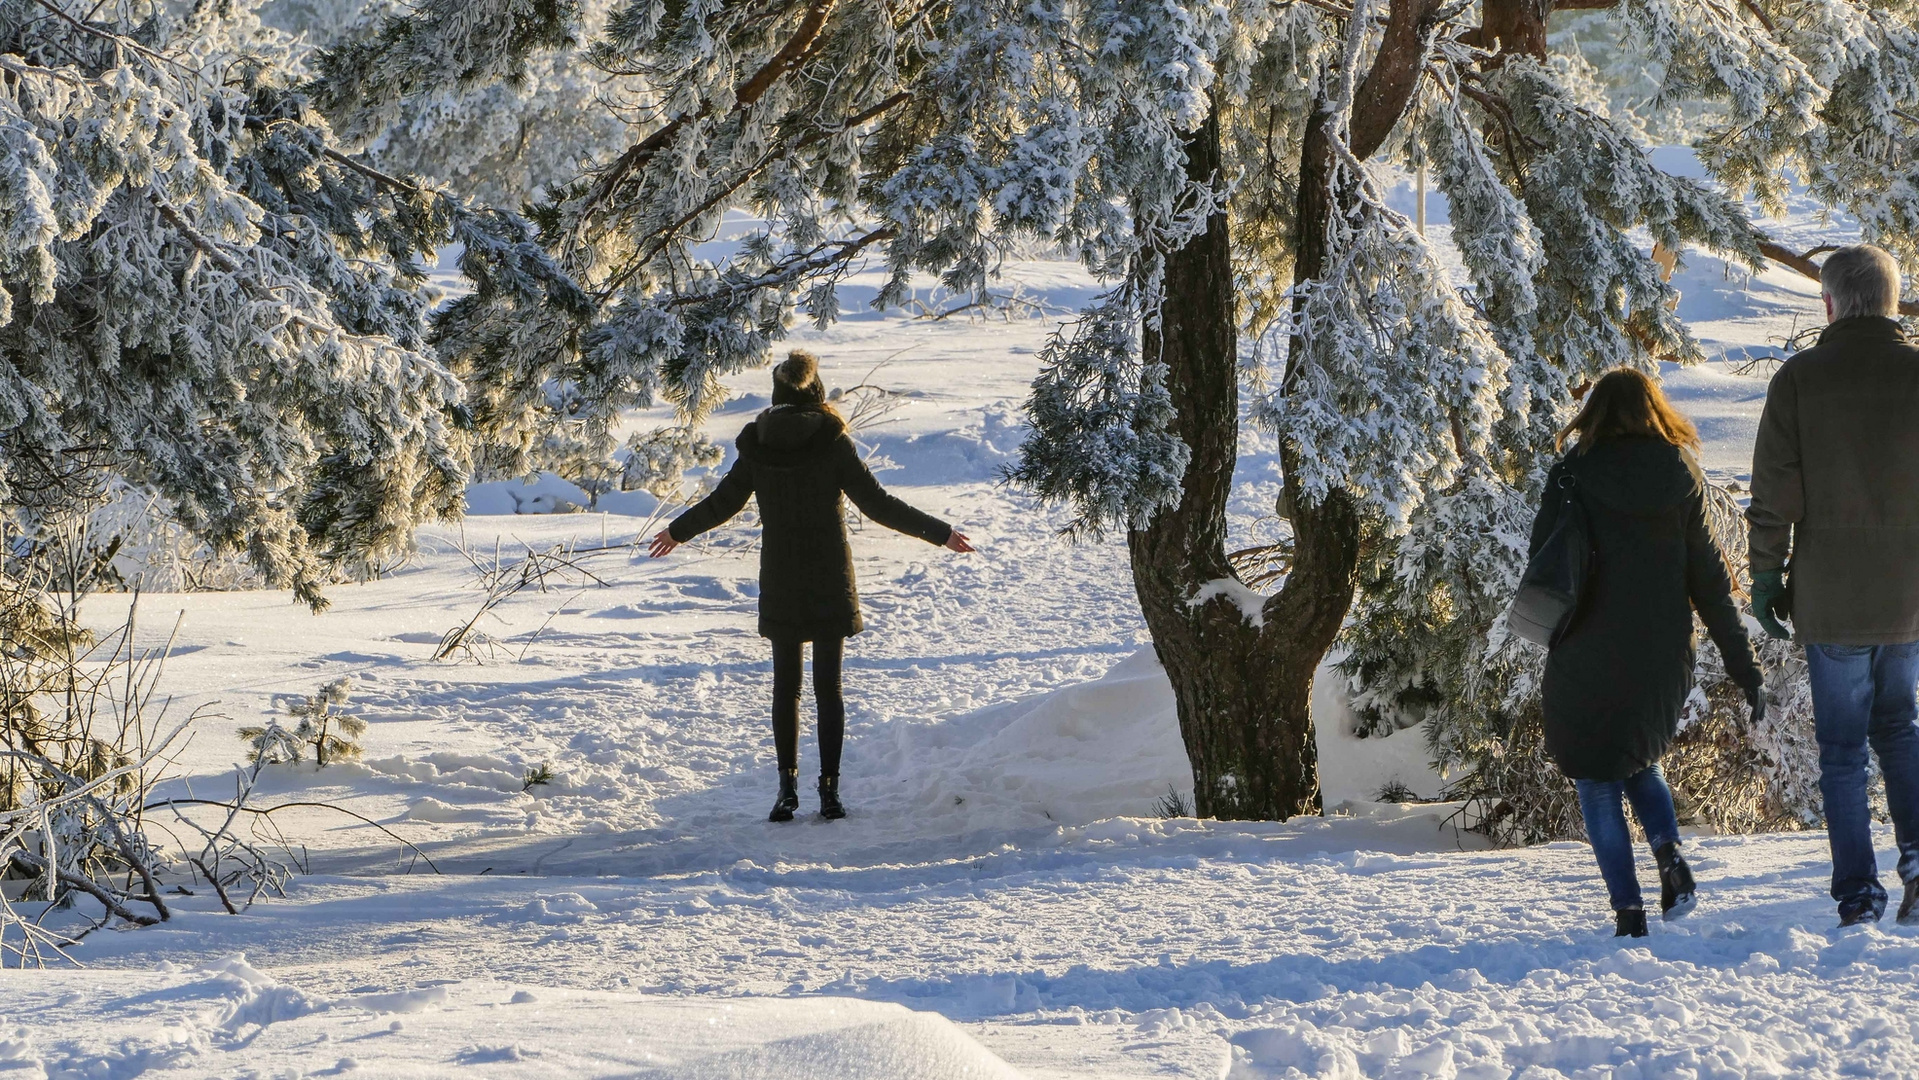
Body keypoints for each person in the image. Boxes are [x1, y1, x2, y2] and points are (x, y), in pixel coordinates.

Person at [649, 350, 976, 822]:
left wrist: (677, 531)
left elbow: (723, 502)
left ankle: (786, 790)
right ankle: (829, 791)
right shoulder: (833, 441)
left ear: (777, 393)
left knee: (787, 688)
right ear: (816, 391)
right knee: (829, 687)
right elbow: (877, 504)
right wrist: (939, 532)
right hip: (828, 575)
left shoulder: (757, 446)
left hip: (781, 575)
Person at [1530, 368, 1764, 938]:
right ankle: (1669, 856)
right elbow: (1711, 583)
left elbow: (1543, 560)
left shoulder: (1572, 475)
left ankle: (1629, 912)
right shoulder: (1679, 472)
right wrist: (1743, 666)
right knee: (1634, 758)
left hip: (1586, 650)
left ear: (1594, 416)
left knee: (1596, 777)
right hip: (1660, 659)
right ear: (1654, 411)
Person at [1748, 243, 1919, 927]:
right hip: (1907, 597)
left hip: (1829, 599)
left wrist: (1765, 576)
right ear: (1889, 301)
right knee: (1901, 731)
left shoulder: (1797, 380)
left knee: (1842, 751)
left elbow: (1772, 496)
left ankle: (1858, 894)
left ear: (1827, 303)